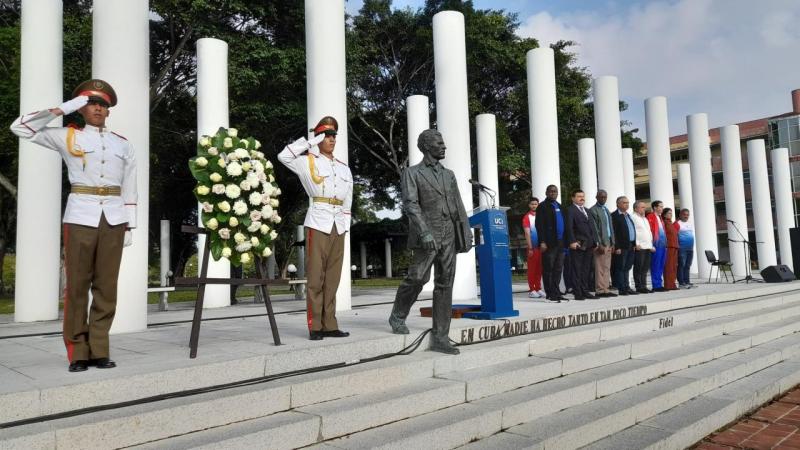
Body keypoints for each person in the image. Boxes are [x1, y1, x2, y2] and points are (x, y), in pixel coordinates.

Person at [11, 79, 136, 372]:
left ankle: (100, 349)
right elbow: (20, 127)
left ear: (108, 111)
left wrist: (130, 225)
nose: (97, 108)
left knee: (107, 287)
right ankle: (78, 351)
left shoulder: (122, 144)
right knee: (77, 287)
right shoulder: (67, 135)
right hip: (81, 216)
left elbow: (130, 186)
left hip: (114, 219)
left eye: (102, 104)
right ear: (82, 108)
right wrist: (63, 108)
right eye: (91, 103)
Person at [388, 129, 472, 355]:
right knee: (417, 277)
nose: (444, 147)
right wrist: (424, 232)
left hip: (449, 234)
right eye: (439, 143)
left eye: (443, 143)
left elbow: (458, 204)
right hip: (427, 233)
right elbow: (411, 205)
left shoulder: (449, 174)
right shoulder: (412, 173)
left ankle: (441, 337)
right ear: (426, 146)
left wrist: (465, 231)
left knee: (445, 284)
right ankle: (397, 315)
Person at [278, 116, 353, 341]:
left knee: (333, 278)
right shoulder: (307, 161)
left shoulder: (343, 168)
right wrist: (311, 141)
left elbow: (348, 198)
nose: (331, 140)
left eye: (333, 136)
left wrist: (345, 224)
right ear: (319, 137)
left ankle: (330, 324)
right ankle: (315, 326)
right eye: (326, 136)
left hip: (338, 224)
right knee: (315, 278)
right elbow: (284, 156)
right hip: (318, 221)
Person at [535, 184, 567, 302]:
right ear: (546, 193)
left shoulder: (560, 206)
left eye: (555, 191)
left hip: (561, 242)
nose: (553, 193)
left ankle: (556, 291)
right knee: (549, 267)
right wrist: (542, 241)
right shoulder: (542, 206)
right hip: (549, 242)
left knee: (558, 268)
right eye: (551, 191)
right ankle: (549, 292)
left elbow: (566, 225)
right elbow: (539, 225)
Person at [564, 190, 597, 300]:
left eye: (583, 196)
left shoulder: (587, 210)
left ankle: (585, 290)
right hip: (578, 244)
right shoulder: (570, 210)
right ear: (573, 198)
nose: (582, 198)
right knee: (577, 269)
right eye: (579, 196)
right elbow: (569, 227)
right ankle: (578, 293)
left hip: (589, 244)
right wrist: (572, 241)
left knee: (586, 269)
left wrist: (595, 241)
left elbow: (592, 227)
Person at [589, 190, 617, 298]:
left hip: (609, 243)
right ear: (596, 197)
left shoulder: (606, 210)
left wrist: (613, 243)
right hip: (601, 244)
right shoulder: (593, 210)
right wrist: (599, 243)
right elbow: (594, 229)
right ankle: (600, 289)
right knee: (599, 267)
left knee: (606, 267)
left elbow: (610, 228)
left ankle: (606, 288)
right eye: (601, 197)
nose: (603, 199)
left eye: (605, 197)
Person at [611, 196, 638, 296]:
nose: (627, 204)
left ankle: (627, 286)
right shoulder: (614, 215)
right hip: (621, 246)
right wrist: (616, 246)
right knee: (620, 267)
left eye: (627, 202)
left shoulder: (628, 215)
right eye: (624, 203)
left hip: (630, 245)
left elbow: (631, 230)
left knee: (627, 267)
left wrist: (634, 244)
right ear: (618, 204)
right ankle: (621, 288)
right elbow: (614, 232)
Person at [522, 198, 545, 298]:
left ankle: (538, 288)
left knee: (539, 269)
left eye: (536, 204)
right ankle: (532, 289)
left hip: (541, 247)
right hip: (532, 248)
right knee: (532, 269)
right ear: (529, 205)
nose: (534, 206)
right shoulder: (527, 217)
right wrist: (530, 248)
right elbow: (527, 233)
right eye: (532, 204)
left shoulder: (541, 216)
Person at [631, 201, 655, 293]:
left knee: (645, 268)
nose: (644, 209)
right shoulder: (633, 217)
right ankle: (639, 286)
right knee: (638, 267)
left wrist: (651, 245)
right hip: (640, 246)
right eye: (642, 207)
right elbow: (633, 231)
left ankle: (644, 286)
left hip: (647, 246)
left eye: (644, 207)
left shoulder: (644, 219)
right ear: (636, 208)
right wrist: (635, 243)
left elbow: (648, 232)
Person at [647, 200, 668, 292]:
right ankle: (656, 285)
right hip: (656, 244)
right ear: (655, 207)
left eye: (662, 207)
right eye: (660, 206)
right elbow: (649, 231)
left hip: (663, 245)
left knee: (661, 265)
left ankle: (659, 283)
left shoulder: (660, 218)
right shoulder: (650, 216)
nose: (662, 208)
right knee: (655, 265)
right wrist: (651, 244)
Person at [676, 208, 695, 288]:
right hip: (682, 248)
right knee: (681, 265)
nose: (686, 216)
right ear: (680, 215)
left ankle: (687, 281)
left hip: (690, 248)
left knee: (687, 265)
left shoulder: (690, 223)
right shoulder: (677, 223)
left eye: (687, 215)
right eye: (684, 214)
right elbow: (675, 236)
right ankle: (681, 283)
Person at [662, 208, 679, 290]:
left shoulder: (670, 223)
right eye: (669, 213)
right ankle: (668, 285)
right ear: (664, 214)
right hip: (668, 246)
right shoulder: (664, 223)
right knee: (668, 266)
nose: (670, 214)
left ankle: (672, 284)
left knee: (673, 266)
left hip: (675, 246)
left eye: (671, 213)